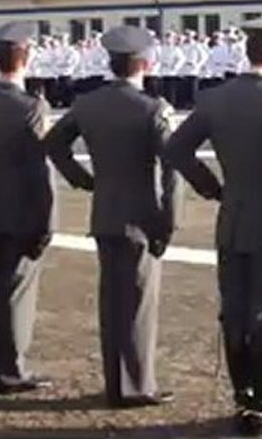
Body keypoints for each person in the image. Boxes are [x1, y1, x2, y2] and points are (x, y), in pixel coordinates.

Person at [163, 17, 262, 435]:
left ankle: (243, 398)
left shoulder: (215, 99)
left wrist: (214, 189)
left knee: (236, 309)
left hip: (233, 218)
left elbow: (176, 149)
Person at [45, 25, 180, 409]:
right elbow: (171, 171)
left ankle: (118, 382)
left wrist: (84, 180)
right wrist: (168, 221)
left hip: (105, 209)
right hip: (142, 214)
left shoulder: (88, 104)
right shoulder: (153, 108)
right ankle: (135, 386)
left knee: (113, 303)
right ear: (146, 63)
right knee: (138, 304)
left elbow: (54, 144)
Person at [0, 22, 56, 395]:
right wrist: (46, 222)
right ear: (27, 56)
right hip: (18, 214)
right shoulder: (31, 107)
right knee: (15, 293)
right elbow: (39, 171)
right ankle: (8, 369)